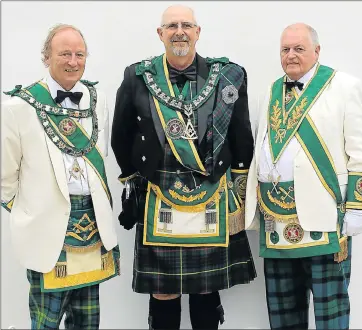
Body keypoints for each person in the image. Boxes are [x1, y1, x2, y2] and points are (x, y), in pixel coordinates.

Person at [111, 4, 256, 330]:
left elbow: (241, 135)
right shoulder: (137, 77)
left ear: (197, 32)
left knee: (205, 289)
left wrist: (241, 190)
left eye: (186, 25)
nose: (180, 31)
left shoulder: (227, 76)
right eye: (172, 25)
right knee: (163, 291)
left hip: (212, 193)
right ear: (160, 33)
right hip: (159, 194)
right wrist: (134, 183)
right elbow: (120, 134)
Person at [245, 23, 362, 330]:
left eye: (299, 48)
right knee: (283, 317)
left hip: (326, 219)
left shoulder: (344, 86)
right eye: (285, 49)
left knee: (331, 316)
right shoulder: (270, 91)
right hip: (276, 222)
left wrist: (358, 208)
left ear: (317, 51)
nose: (291, 56)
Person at [1, 24, 120, 329]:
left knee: (87, 319)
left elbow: (99, 156)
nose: (73, 61)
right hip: (46, 228)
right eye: (64, 53)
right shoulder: (18, 107)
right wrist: (31, 212)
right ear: (46, 57)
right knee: (46, 320)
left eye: (79, 54)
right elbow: (4, 177)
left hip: (90, 224)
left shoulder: (97, 100)